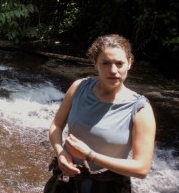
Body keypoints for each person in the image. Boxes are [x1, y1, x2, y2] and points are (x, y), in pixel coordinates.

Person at [48, 34, 156, 193]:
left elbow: (142, 168)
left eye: (119, 63)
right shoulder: (78, 88)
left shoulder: (140, 108)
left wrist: (91, 156)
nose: (113, 70)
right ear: (95, 64)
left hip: (108, 186)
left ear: (129, 63)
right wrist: (61, 152)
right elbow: (56, 126)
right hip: (67, 182)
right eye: (105, 63)